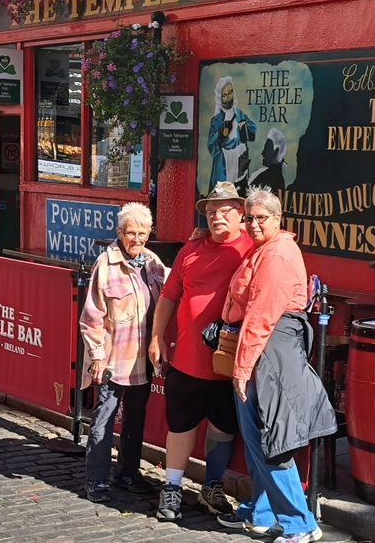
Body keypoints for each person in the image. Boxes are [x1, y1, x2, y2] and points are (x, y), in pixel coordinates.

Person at [215, 186, 336, 543]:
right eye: (249, 218)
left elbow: (260, 316)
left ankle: (300, 523)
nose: (252, 224)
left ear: (277, 219)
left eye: (260, 218)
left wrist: (241, 368)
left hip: (269, 353)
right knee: (257, 439)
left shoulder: (278, 255)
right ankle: (264, 513)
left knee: (270, 439)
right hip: (264, 351)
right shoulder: (265, 249)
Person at [149, 181, 255, 522]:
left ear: (241, 214)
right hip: (186, 360)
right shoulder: (190, 249)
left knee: (223, 428)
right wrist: (157, 337)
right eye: (211, 212)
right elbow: (168, 295)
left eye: (225, 210)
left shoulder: (253, 249)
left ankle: (212, 487)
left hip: (227, 364)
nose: (217, 217)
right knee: (180, 426)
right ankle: (173, 487)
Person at [80, 202, 166, 503]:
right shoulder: (105, 265)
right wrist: (97, 357)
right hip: (112, 358)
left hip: (141, 358)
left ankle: (127, 473)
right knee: (103, 419)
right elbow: (91, 318)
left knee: (135, 418)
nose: (137, 240)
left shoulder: (153, 262)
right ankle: (97, 480)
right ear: (119, 232)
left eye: (143, 233)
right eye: (131, 233)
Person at [206, 76, 257, 195]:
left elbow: (252, 131)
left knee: (240, 191)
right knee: (222, 194)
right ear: (220, 98)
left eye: (230, 93)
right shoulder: (216, 121)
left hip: (239, 159)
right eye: (224, 95)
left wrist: (244, 128)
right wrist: (221, 135)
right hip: (224, 161)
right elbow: (211, 146)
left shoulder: (239, 114)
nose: (228, 97)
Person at [248, 128, 287, 196]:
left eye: (266, 148)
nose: (262, 153)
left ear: (276, 151)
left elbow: (246, 197)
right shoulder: (274, 176)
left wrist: (241, 173)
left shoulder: (270, 178)